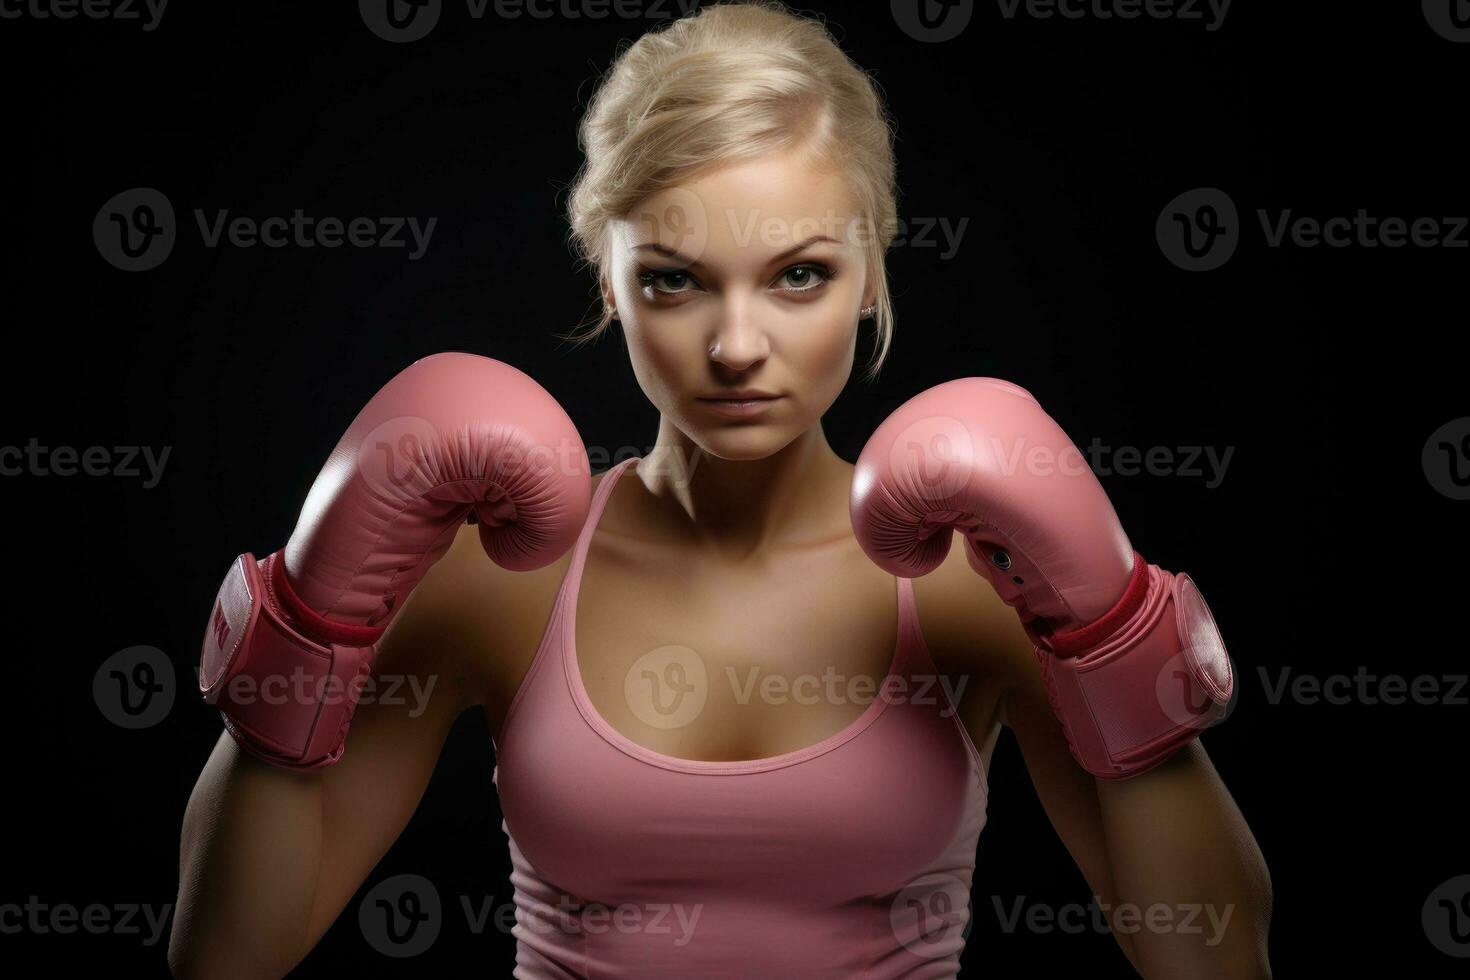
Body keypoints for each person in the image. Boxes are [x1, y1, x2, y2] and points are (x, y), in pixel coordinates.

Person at [168, 3, 1272, 977]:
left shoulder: (971, 583)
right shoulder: (498, 575)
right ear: (609, 279)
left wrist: (1116, 625)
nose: (737, 344)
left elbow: (1212, 957)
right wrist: (308, 619)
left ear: (874, 269)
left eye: (800, 273)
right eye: (675, 279)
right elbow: (227, 954)